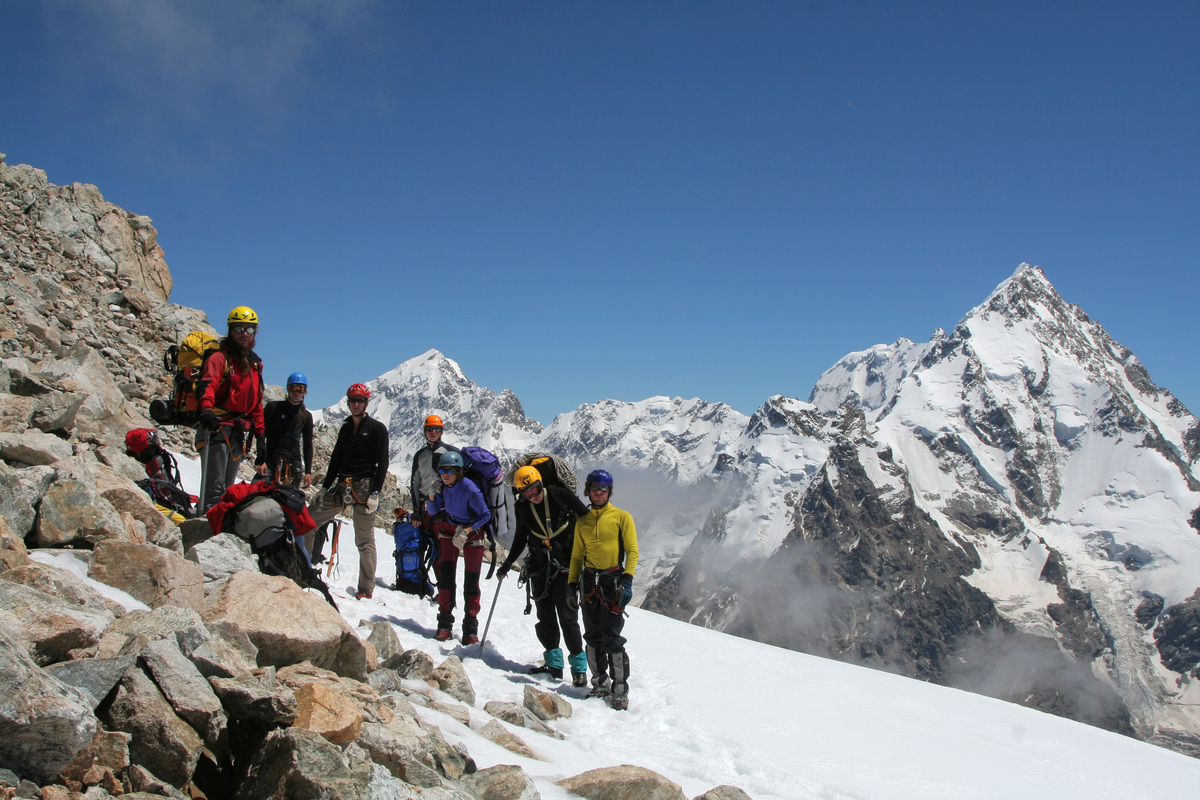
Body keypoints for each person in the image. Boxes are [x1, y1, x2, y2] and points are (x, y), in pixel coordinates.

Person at [497, 465, 590, 685]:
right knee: (545, 616)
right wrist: (508, 563)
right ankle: (554, 665)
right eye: (527, 493)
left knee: (568, 617)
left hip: (566, 564)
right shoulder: (523, 507)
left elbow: (586, 518)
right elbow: (521, 537)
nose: (533, 496)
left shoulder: (559, 494)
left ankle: (579, 670)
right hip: (539, 565)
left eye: (536, 490)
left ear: (541, 485)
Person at [307, 383, 389, 600]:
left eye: (359, 400)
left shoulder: (377, 429)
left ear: (366, 403)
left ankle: (366, 588)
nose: (355, 404)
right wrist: (325, 486)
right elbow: (335, 459)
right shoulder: (345, 428)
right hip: (342, 485)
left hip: (364, 487)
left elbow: (383, 462)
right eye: (352, 400)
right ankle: (303, 567)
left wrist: (375, 493)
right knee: (308, 522)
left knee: (364, 540)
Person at [567, 469, 639, 710]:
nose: (599, 492)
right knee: (592, 636)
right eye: (595, 488)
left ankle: (619, 689)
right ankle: (599, 684)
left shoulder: (621, 517)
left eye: (604, 488)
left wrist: (627, 581)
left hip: (613, 581)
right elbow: (577, 556)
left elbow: (632, 550)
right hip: (589, 581)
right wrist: (571, 585)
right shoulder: (583, 521)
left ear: (610, 492)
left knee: (612, 637)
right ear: (588, 490)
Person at [196, 306, 265, 512]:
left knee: (227, 489)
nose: (244, 334)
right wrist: (206, 409)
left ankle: (218, 528)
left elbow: (256, 403)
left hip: (237, 431)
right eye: (239, 329)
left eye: (249, 330)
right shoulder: (219, 358)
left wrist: (261, 436)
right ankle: (206, 530)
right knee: (214, 489)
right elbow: (208, 384)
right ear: (230, 330)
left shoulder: (254, 364)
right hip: (216, 426)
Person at [426, 450, 491, 643]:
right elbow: (433, 511)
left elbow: (485, 515)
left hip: (471, 533)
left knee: (471, 582)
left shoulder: (470, 489)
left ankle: (470, 628)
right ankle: (444, 624)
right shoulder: (442, 487)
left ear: (459, 471)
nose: (445, 474)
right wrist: (432, 495)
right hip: (449, 527)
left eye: (450, 470)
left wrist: (468, 530)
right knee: (446, 576)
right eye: (442, 470)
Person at [256, 372, 313, 488]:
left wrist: (307, 472)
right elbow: (262, 435)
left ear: (305, 391)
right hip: (270, 461)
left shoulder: (306, 416)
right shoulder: (273, 408)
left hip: (293, 463)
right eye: (294, 388)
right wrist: (260, 460)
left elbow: (307, 445)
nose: (297, 392)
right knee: (257, 492)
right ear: (288, 389)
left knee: (289, 501)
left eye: (300, 389)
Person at [409, 414, 461, 525]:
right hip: (425, 504)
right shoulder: (419, 455)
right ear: (425, 431)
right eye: (429, 429)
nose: (433, 432)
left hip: (446, 505)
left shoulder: (451, 453)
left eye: (437, 429)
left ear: (441, 432)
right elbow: (415, 483)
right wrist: (417, 510)